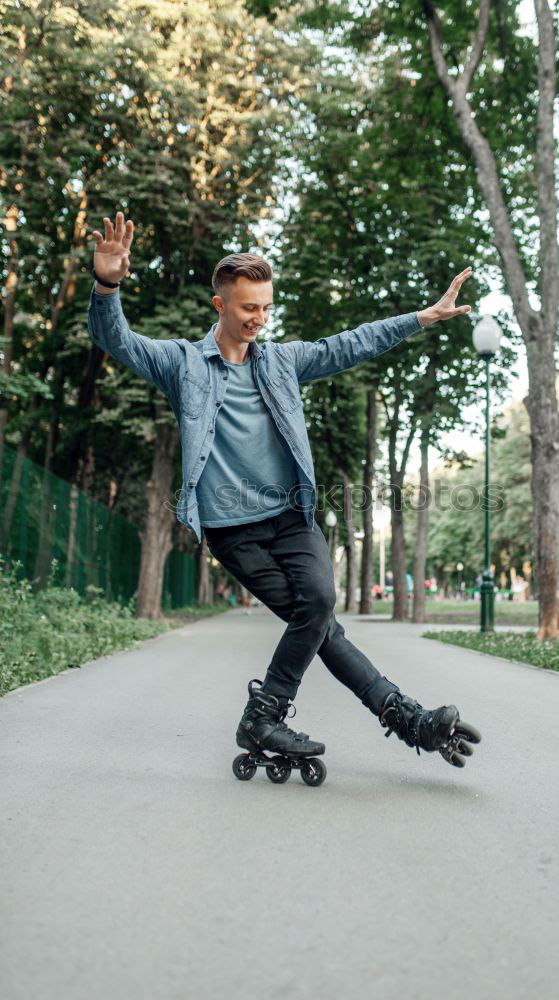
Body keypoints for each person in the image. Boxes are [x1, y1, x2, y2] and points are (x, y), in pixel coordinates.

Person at [88, 211, 481, 770]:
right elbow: (115, 339)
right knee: (318, 618)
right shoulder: (182, 365)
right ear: (220, 304)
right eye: (249, 308)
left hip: (291, 519)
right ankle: (404, 719)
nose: (260, 318)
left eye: (266, 307)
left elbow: (351, 344)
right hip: (232, 530)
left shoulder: (280, 362)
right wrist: (107, 285)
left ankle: (270, 715)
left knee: (318, 607)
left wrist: (421, 318)